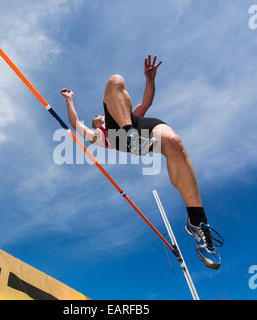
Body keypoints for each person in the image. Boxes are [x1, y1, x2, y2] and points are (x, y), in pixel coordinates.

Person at [61, 55, 223, 269]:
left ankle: (196, 221)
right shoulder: (97, 136)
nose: (99, 117)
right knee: (115, 81)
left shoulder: (125, 112)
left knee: (175, 143)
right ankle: (129, 135)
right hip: (121, 135)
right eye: (97, 119)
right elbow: (74, 124)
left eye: (100, 116)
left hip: (138, 126)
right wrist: (70, 99)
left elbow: (146, 102)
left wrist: (150, 79)